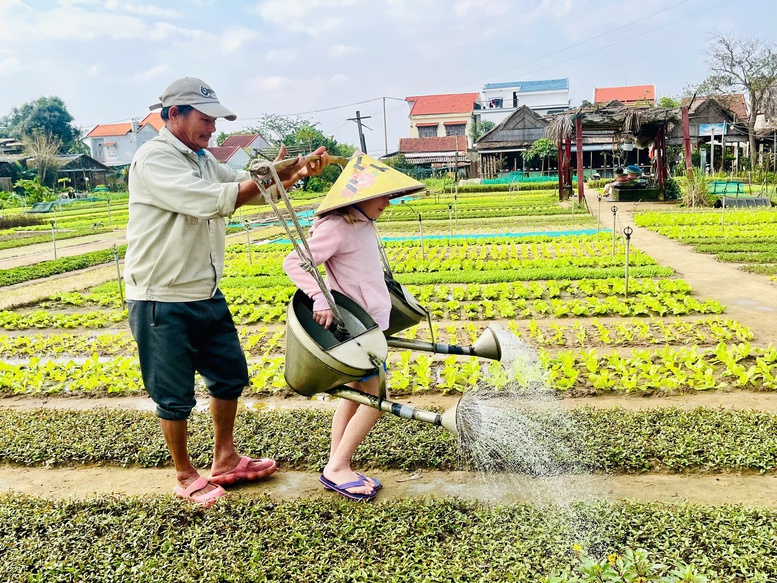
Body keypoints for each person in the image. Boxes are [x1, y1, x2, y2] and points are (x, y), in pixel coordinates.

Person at [124, 76, 329, 506]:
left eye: (215, 120)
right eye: (205, 119)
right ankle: (184, 475)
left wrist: (294, 170)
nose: (213, 129)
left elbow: (246, 183)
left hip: (205, 291)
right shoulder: (155, 159)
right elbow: (220, 198)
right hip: (161, 296)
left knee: (228, 375)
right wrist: (276, 174)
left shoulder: (200, 158)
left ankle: (225, 458)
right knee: (174, 393)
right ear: (173, 114)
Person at [282, 157, 401, 502]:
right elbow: (294, 261)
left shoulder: (363, 223)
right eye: (381, 195)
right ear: (356, 197)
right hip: (355, 331)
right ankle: (338, 466)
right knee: (376, 400)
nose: (387, 202)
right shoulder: (336, 227)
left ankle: (336, 464)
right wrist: (319, 297)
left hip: (370, 325)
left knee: (354, 395)